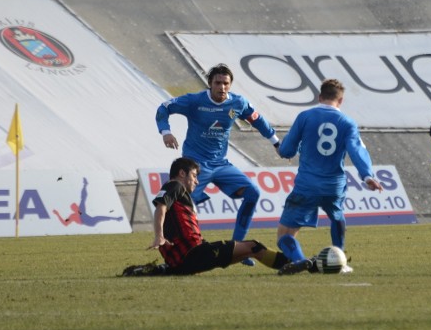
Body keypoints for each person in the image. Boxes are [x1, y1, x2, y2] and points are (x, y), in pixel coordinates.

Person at [155, 63, 280, 265]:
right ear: (210, 84)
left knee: (253, 193)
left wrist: (275, 141)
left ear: (230, 85)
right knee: (181, 206)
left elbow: (256, 119)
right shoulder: (195, 101)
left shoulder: (238, 103)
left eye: (226, 83)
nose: (222, 87)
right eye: (218, 83)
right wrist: (165, 131)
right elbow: (164, 108)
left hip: (221, 164)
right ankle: (177, 250)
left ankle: (239, 247)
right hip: (195, 166)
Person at [276, 79, 384, 275]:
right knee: (337, 217)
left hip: (307, 185)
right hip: (334, 185)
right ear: (340, 100)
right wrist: (367, 176)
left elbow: (287, 149)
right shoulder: (347, 123)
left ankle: (301, 261)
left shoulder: (305, 117)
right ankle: (340, 260)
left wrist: (282, 149)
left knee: (284, 235)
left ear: (319, 97)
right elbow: (356, 150)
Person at [122, 157, 292, 276]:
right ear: (182, 173)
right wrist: (159, 235)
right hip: (194, 254)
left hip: (182, 260)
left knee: (245, 252)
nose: (196, 181)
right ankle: (293, 263)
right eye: (194, 176)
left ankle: (162, 269)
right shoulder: (175, 185)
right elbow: (161, 206)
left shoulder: (178, 193)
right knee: (253, 246)